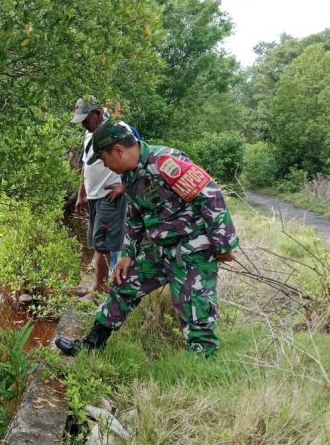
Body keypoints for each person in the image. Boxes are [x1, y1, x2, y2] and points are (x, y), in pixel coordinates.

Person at [55, 121, 239, 357]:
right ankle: (91, 345)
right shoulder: (129, 175)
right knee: (123, 285)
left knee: (197, 314)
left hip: (192, 251)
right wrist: (127, 255)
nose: (105, 165)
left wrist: (223, 245)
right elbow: (135, 217)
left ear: (118, 150)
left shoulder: (166, 162)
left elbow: (211, 197)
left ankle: (201, 371)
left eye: (103, 158)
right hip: (159, 250)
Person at [70, 96, 137, 295]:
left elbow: (136, 157)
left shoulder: (119, 128)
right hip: (93, 196)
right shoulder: (90, 133)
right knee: (95, 242)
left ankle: (99, 290)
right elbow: (86, 164)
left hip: (110, 196)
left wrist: (123, 187)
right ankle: (99, 285)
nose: (83, 124)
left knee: (103, 245)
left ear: (97, 114)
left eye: (85, 119)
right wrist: (82, 193)